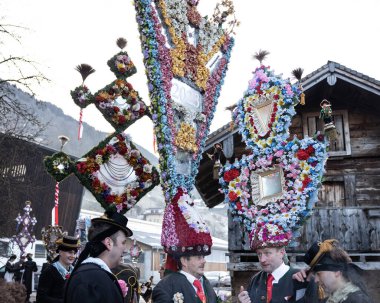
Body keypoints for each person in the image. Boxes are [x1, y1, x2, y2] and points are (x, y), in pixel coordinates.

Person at [152, 187, 217, 303]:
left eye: (203, 257)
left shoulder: (206, 285)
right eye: (198, 257)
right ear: (184, 261)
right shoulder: (165, 287)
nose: (204, 261)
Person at [64, 210, 133, 303]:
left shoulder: (92, 274)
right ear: (108, 243)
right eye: (123, 242)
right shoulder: (91, 277)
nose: (125, 249)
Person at [238, 229, 307, 303]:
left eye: (267, 253)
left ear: (281, 252)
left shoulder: (299, 278)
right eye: (259, 254)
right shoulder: (255, 279)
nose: (262, 260)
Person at [293, 239, 373, 303]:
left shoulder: (357, 300)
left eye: (319, 274)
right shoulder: (333, 298)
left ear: (337, 272)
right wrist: (302, 285)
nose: (316, 280)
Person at [36, 235, 80, 303]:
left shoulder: (75, 271)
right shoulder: (49, 271)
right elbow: (41, 298)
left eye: (74, 253)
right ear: (60, 252)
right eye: (70, 252)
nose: (73, 256)